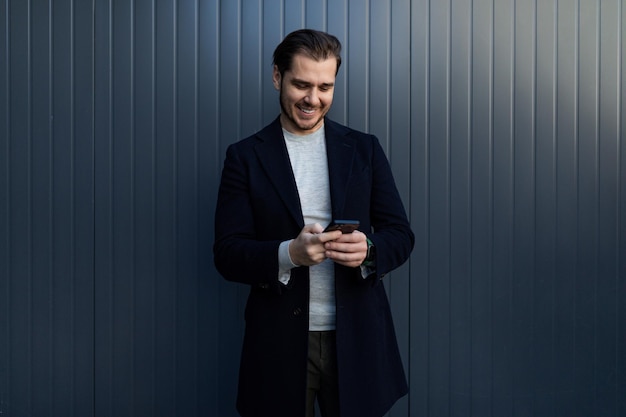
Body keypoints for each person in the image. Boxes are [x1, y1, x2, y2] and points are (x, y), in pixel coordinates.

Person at [213, 29, 414, 417]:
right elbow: (226, 253)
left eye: (325, 86)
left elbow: (401, 235)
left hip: (358, 341)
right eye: (301, 84)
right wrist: (288, 254)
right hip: (277, 345)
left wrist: (369, 250)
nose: (313, 99)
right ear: (277, 77)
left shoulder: (364, 148)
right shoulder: (244, 157)